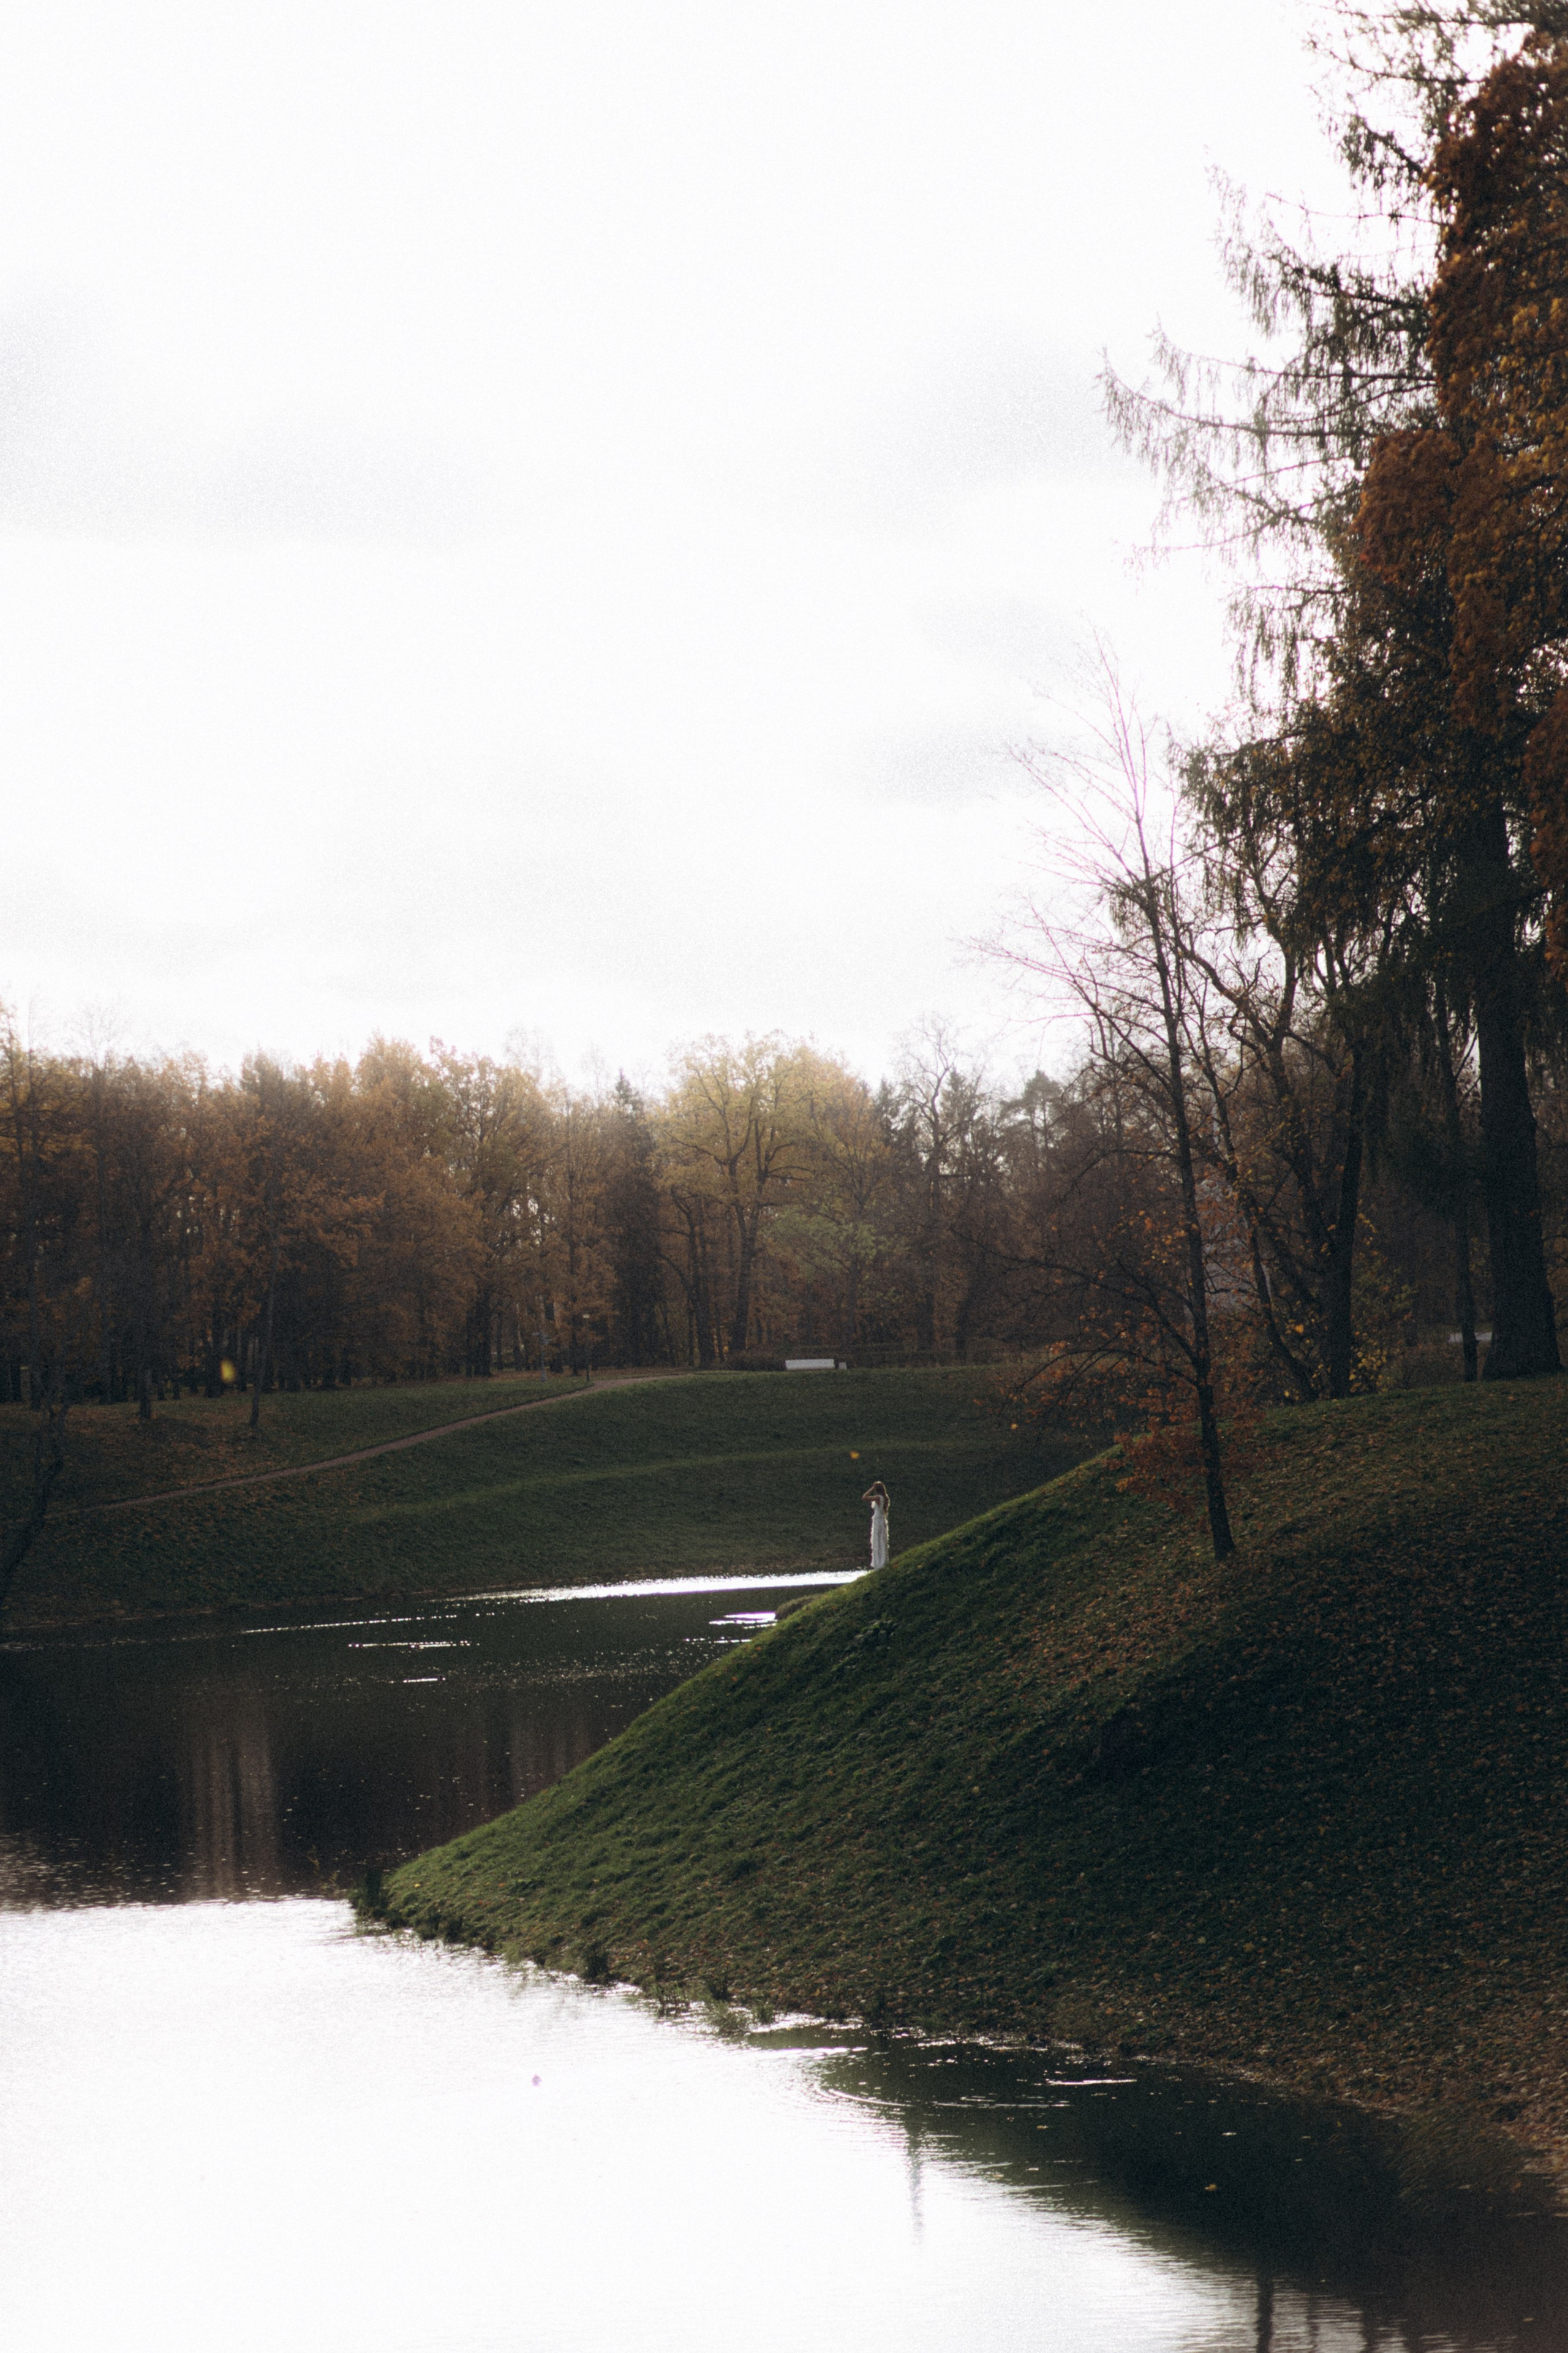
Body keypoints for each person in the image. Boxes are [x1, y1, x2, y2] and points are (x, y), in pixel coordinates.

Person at [861, 1479, 890, 1571]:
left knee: (877, 1540)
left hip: (878, 1520)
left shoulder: (878, 1497)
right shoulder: (885, 1498)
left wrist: (871, 1489)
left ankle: (879, 1564)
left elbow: (864, 1497)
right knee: (882, 1541)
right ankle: (883, 1562)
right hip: (882, 1520)